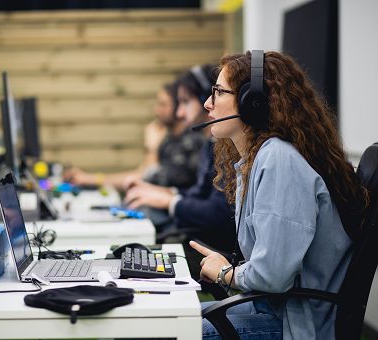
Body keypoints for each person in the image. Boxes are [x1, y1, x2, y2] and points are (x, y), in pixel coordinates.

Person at [190, 50, 367, 339]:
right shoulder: (259, 158)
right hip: (273, 309)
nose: (208, 103)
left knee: (174, 331)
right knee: (174, 320)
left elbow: (273, 275)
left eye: (219, 92)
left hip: (294, 324)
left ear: (253, 103)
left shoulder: (278, 161)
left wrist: (226, 273)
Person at [124, 65, 235, 252]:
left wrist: (170, 201)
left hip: (215, 252)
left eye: (185, 102)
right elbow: (200, 193)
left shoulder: (225, 149)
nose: (179, 113)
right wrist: (168, 194)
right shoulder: (211, 144)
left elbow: (217, 213)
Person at [65, 83, 203, 191]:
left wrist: (151, 148)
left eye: (163, 104)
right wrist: (88, 179)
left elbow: (147, 179)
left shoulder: (191, 142)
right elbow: (139, 174)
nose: (157, 110)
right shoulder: (169, 139)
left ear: (177, 106)